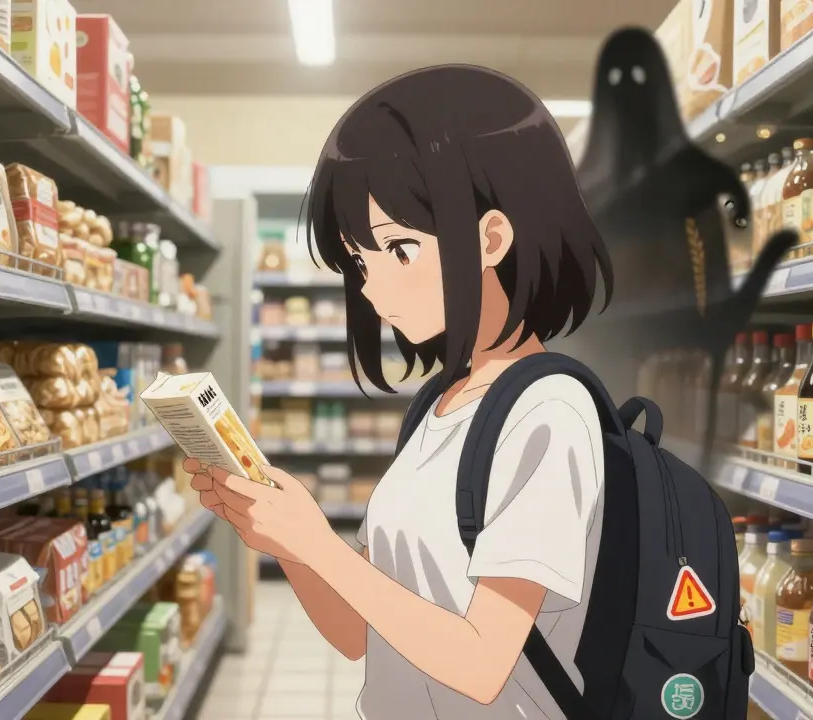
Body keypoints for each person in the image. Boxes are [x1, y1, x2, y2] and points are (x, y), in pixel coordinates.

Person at [186, 64, 614, 719]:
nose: (370, 286)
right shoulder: (440, 405)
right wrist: (289, 544)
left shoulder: (548, 414)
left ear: (491, 238)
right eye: (360, 260)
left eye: (401, 249)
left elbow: (481, 665)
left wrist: (321, 545)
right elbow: (358, 637)